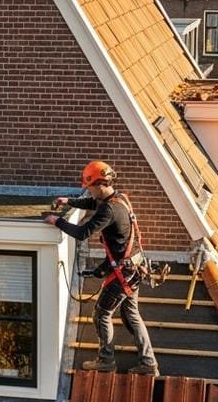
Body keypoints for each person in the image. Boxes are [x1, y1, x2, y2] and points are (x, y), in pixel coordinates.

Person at [44, 160, 159, 375]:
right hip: (134, 267)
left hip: (123, 273)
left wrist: (56, 221)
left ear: (100, 184)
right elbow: (92, 203)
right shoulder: (119, 198)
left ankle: (106, 360)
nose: (89, 191)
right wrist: (68, 201)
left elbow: (82, 232)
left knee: (101, 314)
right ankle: (148, 363)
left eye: (90, 188)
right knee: (130, 314)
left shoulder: (109, 209)